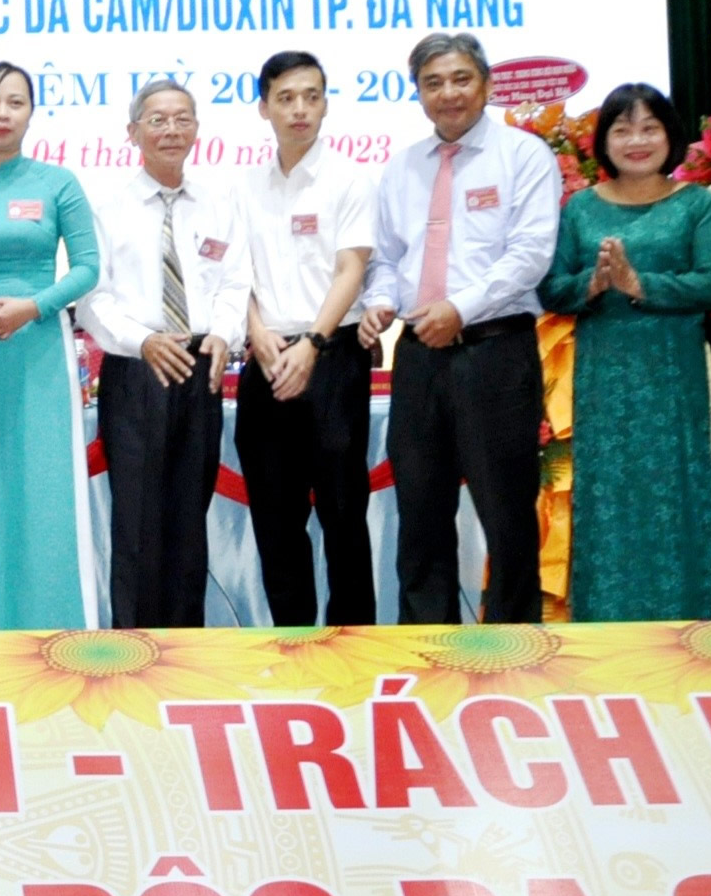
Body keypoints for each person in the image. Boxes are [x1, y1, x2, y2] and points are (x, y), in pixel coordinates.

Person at [362, 33, 561, 626]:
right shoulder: (402, 168)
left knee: (507, 511)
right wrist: (378, 303)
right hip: (420, 355)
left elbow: (529, 255)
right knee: (420, 509)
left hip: (495, 351)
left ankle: (513, 639)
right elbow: (388, 260)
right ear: (418, 92)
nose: (448, 93)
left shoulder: (524, 156)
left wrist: (461, 309)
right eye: (433, 82)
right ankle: (428, 643)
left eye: (460, 79)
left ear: (487, 84)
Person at [539, 84, 711, 621]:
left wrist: (640, 283)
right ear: (604, 141)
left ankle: (686, 623)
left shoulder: (697, 204)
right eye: (622, 129)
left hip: (673, 376)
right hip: (605, 379)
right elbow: (552, 289)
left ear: (670, 135)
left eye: (650, 127)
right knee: (610, 503)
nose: (637, 140)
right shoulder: (580, 209)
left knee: (675, 498)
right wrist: (596, 282)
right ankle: (606, 628)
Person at [79, 80, 247, 629]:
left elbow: (234, 281)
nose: (171, 130)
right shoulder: (106, 208)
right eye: (157, 120)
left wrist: (223, 332)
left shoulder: (219, 204)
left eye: (182, 119)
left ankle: (186, 647)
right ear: (133, 133)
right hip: (138, 368)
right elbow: (92, 300)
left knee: (188, 521)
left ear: (198, 129)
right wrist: (144, 342)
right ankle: (135, 647)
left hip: (202, 367)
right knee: (138, 522)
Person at [0, 62, 99, 628]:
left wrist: (34, 306)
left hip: (40, 347)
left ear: (32, 112)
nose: (2, 113)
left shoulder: (58, 183)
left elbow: (88, 268)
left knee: (44, 489)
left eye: (15, 102)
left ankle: (55, 622)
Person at [232, 52, 378, 627]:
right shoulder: (242, 186)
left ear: (324, 104)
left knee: (343, 513)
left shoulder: (350, 178)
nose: (300, 109)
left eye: (311, 96)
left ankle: (355, 642)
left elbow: (352, 270)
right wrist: (257, 333)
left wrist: (311, 345)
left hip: (332, 357)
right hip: (264, 359)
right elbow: (233, 274)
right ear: (263, 107)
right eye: (286, 98)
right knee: (275, 515)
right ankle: (291, 641)